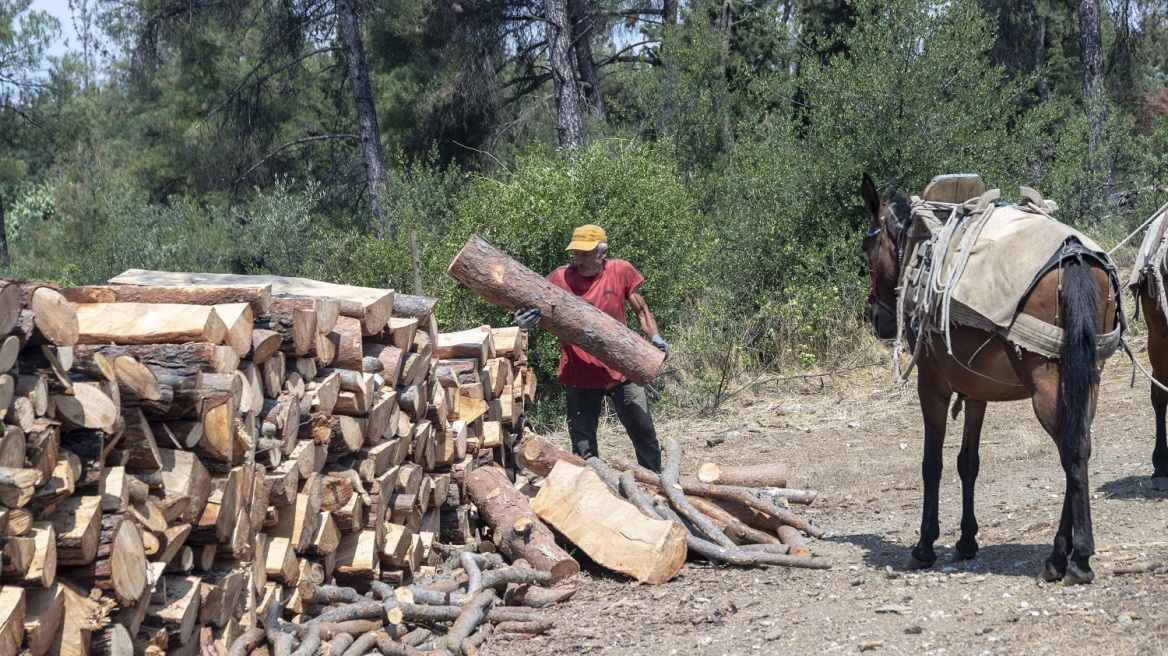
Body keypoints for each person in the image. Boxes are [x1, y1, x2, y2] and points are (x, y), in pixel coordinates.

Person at [515, 224, 670, 473]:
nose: (578, 260)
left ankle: (655, 485)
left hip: (622, 369)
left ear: (603, 252)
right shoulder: (559, 278)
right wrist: (523, 322)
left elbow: (641, 310)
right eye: (575, 253)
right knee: (583, 448)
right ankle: (592, 492)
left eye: (585, 254)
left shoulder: (621, 271)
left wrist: (655, 337)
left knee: (644, 434)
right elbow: (530, 304)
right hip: (579, 374)